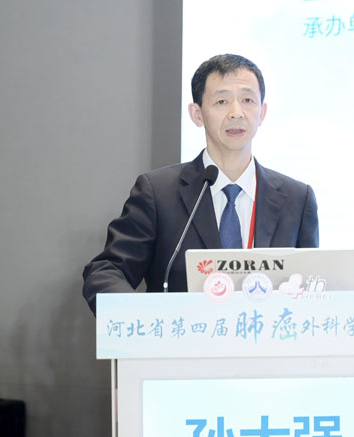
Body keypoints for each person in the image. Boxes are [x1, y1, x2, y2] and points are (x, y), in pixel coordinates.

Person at [82, 54, 319, 314]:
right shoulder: (158, 192)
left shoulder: (297, 199)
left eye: (248, 100)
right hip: (178, 336)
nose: (236, 113)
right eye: (222, 101)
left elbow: (311, 284)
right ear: (197, 114)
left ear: (262, 113)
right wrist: (138, 319)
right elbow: (107, 270)